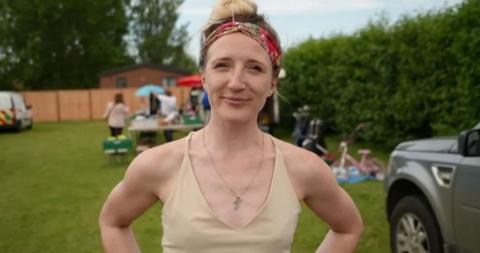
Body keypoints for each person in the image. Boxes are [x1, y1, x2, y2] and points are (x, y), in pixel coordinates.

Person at [99, 0, 363, 252]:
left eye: (255, 68)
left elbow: (348, 227)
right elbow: (113, 221)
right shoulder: (159, 164)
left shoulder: (303, 167)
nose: (236, 82)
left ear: (272, 83)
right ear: (204, 78)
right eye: (222, 65)